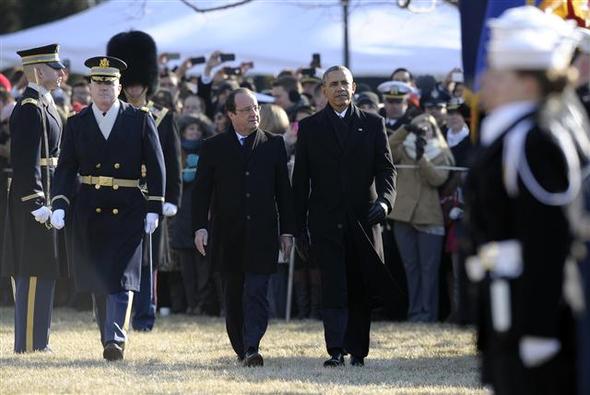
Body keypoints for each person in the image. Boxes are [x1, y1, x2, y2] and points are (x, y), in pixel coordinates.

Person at [463, 6, 588, 394]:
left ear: (528, 83)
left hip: (535, 310)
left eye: (498, 75)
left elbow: (550, 239)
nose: (485, 82)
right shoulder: (513, 133)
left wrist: (539, 330)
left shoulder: (535, 139)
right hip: (506, 299)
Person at [50, 56, 165, 361]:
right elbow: (65, 168)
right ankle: (108, 337)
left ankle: (115, 337)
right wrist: (59, 202)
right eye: (98, 83)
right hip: (89, 208)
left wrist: (155, 205)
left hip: (128, 207)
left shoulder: (139, 119)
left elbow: (156, 166)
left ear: (119, 87)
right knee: (99, 279)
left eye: (109, 83)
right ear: (89, 86)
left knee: (122, 276)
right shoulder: (76, 123)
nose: (103, 89)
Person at [292, 65, 397, 367]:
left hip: (364, 219)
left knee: (360, 286)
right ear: (323, 91)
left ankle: (358, 351)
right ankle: (336, 349)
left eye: (345, 84)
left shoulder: (374, 124)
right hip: (325, 221)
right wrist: (298, 227)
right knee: (333, 284)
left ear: (353, 89)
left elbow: (387, 169)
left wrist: (386, 202)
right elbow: (300, 181)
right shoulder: (310, 127)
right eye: (333, 84)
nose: (339, 89)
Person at [192, 88, 295, 367]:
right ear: (230, 114)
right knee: (234, 293)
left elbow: (284, 192)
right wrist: (200, 227)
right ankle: (241, 346)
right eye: (247, 109)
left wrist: (287, 231)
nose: (254, 114)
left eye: (256, 108)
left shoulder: (273, 144)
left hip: (262, 232)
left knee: (257, 290)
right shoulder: (213, 146)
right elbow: (201, 192)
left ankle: (253, 346)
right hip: (228, 233)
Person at [107, 30, 182, 332]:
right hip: (118, 196)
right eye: (130, 82)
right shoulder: (111, 115)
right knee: (117, 257)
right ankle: (117, 314)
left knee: (148, 261)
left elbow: (172, 164)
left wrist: (171, 199)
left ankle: (144, 316)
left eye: (138, 82)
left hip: (150, 197)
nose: (134, 88)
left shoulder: (163, 117)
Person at [1, 44, 66, 353]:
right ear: (39, 71)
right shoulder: (29, 107)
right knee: (32, 270)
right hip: (34, 200)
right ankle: (28, 342)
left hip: (48, 195)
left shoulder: (45, 102)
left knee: (45, 269)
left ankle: (40, 339)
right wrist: (35, 200)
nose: (62, 72)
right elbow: (26, 160)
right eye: (56, 68)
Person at [389, 114, 454, 322]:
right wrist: (405, 129)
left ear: (435, 131)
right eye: (418, 127)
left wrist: (422, 158)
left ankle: (428, 314)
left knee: (429, 270)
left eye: (427, 128)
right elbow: (388, 150)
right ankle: (415, 313)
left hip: (430, 218)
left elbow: (438, 178)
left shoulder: (442, 152)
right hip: (403, 216)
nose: (422, 131)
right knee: (411, 268)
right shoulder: (404, 149)